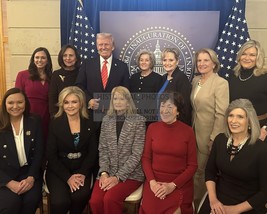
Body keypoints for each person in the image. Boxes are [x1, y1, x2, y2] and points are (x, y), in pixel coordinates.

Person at [198, 99, 267, 214]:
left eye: (240, 117)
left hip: (246, 204)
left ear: (249, 121)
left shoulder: (262, 150)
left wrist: (234, 210)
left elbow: (265, 192)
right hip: (217, 199)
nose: (234, 121)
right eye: (231, 115)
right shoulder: (220, 139)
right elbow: (210, 172)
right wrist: (213, 200)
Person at [89, 86, 146, 214]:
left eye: (122, 98)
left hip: (131, 175)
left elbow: (137, 155)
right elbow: (102, 150)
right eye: (115, 98)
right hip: (108, 171)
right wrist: (103, 173)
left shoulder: (138, 121)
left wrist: (118, 177)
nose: (118, 102)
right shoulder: (106, 120)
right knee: (95, 201)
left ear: (128, 101)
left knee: (110, 199)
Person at [140, 92, 197, 214]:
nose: (165, 110)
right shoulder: (152, 128)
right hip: (154, 182)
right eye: (162, 105)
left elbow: (192, 166)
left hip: (178, 184)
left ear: (178, 111)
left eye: (170, 107)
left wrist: (172, 185)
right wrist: (152, 183)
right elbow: (146, 158)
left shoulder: (188, 132)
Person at [46, 86, 97, 214]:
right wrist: (68, 177)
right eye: (66, 102)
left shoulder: (90, 123)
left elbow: (92, 153)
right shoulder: (54, 123)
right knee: (60, 202)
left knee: (79, 197)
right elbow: (51, 155)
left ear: (81, 103)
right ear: (62, 104)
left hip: (81, 170)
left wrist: (82, 173)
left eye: (74, 102)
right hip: (59, 170)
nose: (70, 106)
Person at [190, 48, 229, 210]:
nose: (202, 64)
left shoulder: (221, 83)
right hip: (192, 133)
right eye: (199, 60)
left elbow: (221, 114)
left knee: (201, 173)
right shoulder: (195, 81)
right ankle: (189, 202)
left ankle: (198, 206)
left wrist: (214, 138)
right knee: (193, 170)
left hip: (208, 137)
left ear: (214, 63)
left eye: (206, 60)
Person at [0, 88, 44, 214]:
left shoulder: (35, 120)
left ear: (26, 103)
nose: (15, 106)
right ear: (4, 104)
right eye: (10, 103)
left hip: (29, 172)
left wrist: (31, 177)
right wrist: (8, 183)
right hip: (5, 175)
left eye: (20, 102)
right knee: (11, 204)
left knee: (30, 200)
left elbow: (39, 152)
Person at [76, 32, 130, 113]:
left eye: (106, 44)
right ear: (97, 46)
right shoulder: (87, 64)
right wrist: (89, 100)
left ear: (113, 46)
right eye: (100, 44)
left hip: (114, 114)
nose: (103, 47)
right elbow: (79, 86)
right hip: (91, 114)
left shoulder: (122, 67)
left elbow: (126, 90)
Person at [229, 40, 267, 141]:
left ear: (258, 57)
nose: (247, 58)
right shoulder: (233, 75)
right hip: (235, 129)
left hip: (259, 130)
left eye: (252, 55)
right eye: (244, 54)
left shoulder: (265, 76)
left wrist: (265, 128)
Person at [15, 47, 53, 140]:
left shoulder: (52, 77)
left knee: (44, 141)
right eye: (37, 57)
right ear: (33, 60)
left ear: (47, 60)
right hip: (29, 114)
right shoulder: (22, 75)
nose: (39, 60)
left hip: (47, 116)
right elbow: (17, 97)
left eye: (43, 58)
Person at [158, 48, 192, 125]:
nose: (167, 63)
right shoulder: (163, 78)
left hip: (175, 124)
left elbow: (185, 107)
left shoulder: (181, 78)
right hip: (162, 121)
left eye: (171, 60)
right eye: (164, 60)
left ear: (177, 61)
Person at [130, 50, 163, 125]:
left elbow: (158, 101)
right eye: (141, 60)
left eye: (147, 60)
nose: (143, 62)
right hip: (133, 118)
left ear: (151, 62)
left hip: (149, 120)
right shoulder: (133, 77)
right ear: (138, 62)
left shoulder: (158, 78)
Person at [49, 44, 81, 117]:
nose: (68, 58)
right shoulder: (56, 74)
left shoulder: (82, 73)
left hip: (79, 115)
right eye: (65, 55)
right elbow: (52, 98)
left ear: (76, 58)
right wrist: (54, 116)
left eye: (71, 55)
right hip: (60, 115)